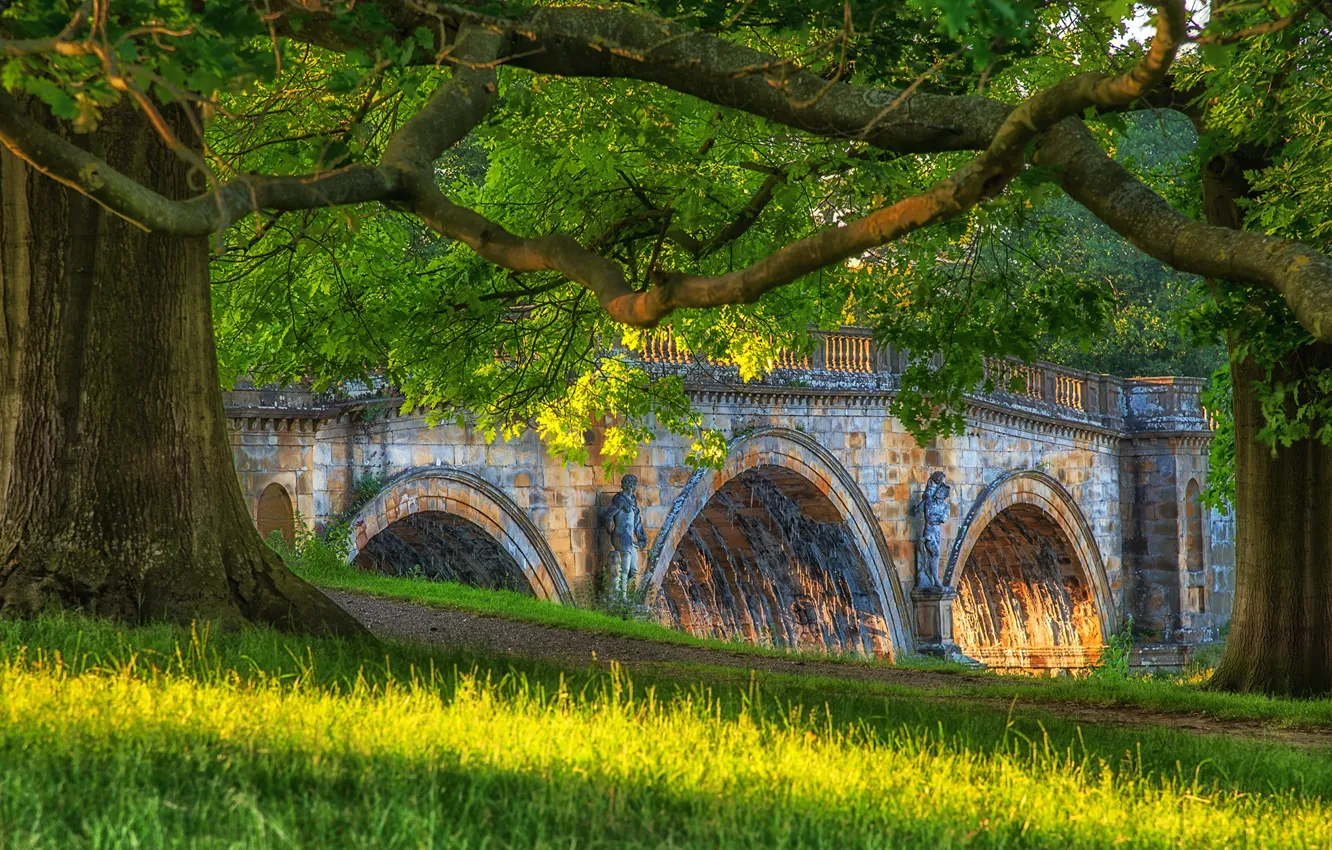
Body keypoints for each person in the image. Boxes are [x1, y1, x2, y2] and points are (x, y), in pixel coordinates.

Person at [604, 474, 648, 597]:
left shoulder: (632, 499)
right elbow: (609, 514)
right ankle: (621, 597)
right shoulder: (620, 499)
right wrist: (610, 529)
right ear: (630, 485)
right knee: (625, 568)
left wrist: (641, 539)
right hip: (621, 536)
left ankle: (619, 590)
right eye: (634, 484)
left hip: (630, 538)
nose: (635, 487)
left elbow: (636, 520)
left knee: (633, 569)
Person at [915, 471, 950, 588]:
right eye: (939, 491)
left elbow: (943, 518)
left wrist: (938, 518)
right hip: (929, 531)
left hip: (937, 532)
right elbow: (923, 513)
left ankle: (931, 578)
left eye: (942, 492)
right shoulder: (929, 501)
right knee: (936, 553)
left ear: (944, 496)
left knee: (934, 555)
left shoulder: (945, 506)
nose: (939, 493)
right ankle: (935, 579)